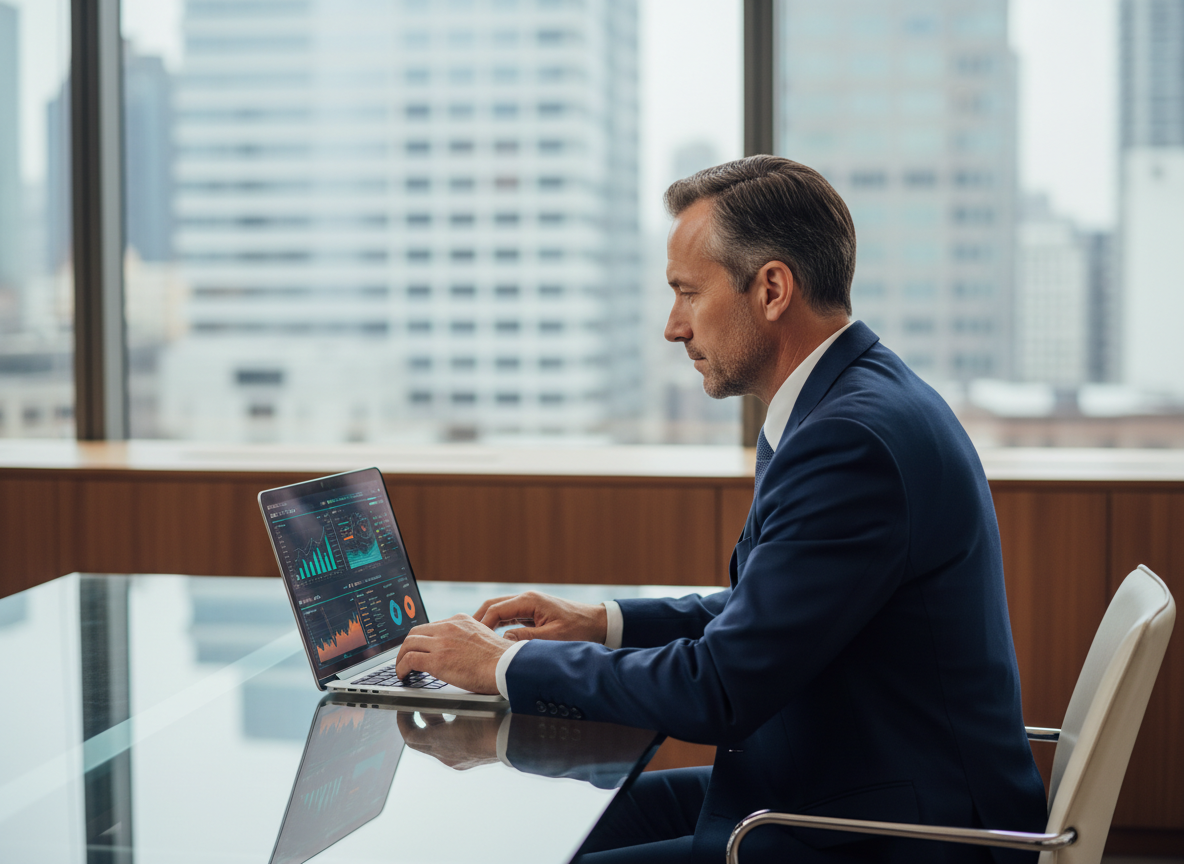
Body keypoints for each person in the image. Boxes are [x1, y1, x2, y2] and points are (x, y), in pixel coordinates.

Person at [394, 156, 1048, 863]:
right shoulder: (849, 401)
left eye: (686, 293)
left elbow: (723, 688)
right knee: (537, 829)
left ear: (770, 288)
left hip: (889, 830)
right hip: (832, 781)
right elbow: (769, 617)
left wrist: (499, 668)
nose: (673, 328)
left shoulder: (848, 441)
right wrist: (601, 625)